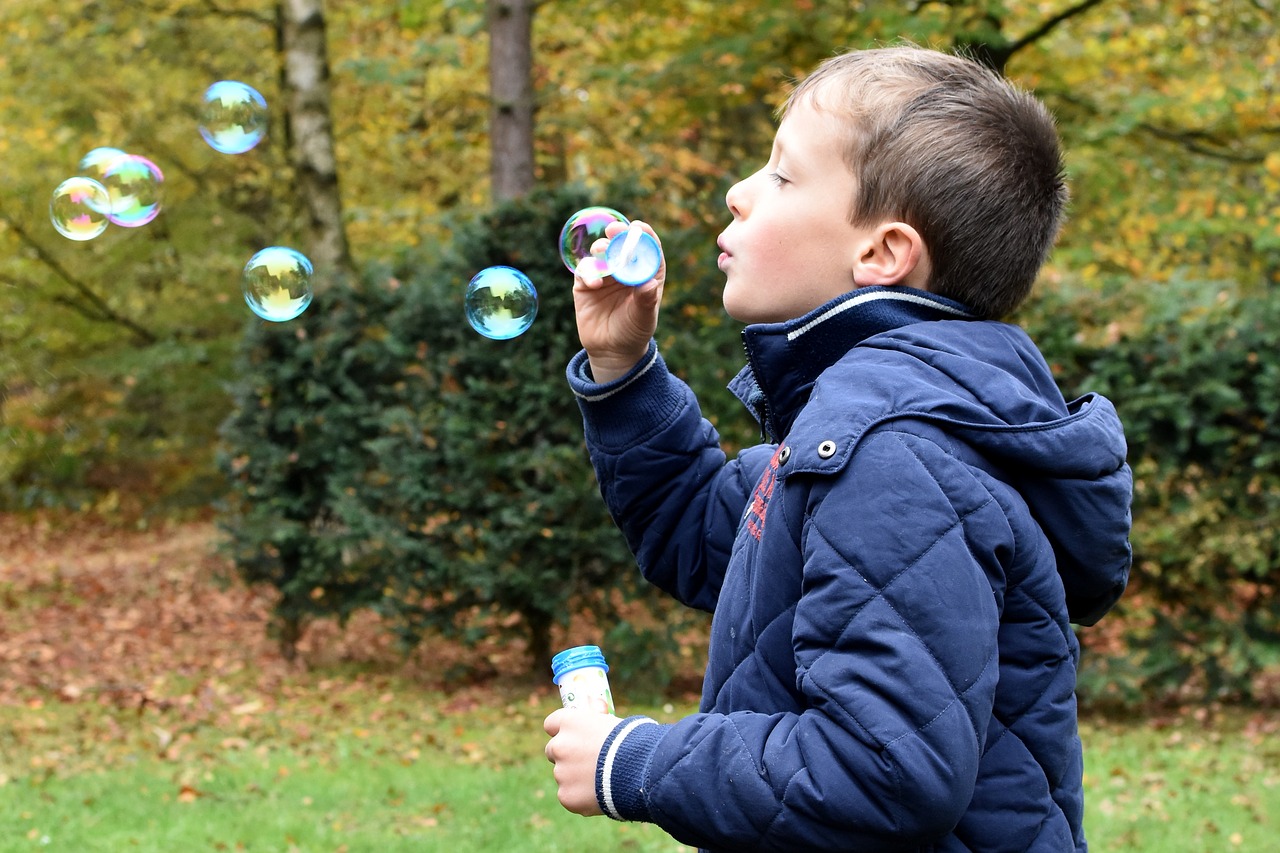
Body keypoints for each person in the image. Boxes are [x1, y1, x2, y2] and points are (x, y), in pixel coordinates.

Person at [543, 43, 1132, 853]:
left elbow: (880, 768)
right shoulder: (853, 431)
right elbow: (694, 528)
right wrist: (624, 370)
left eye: (782, 175)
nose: (737, 193)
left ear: (882, 255)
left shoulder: (895, 454)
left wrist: (634, 761)